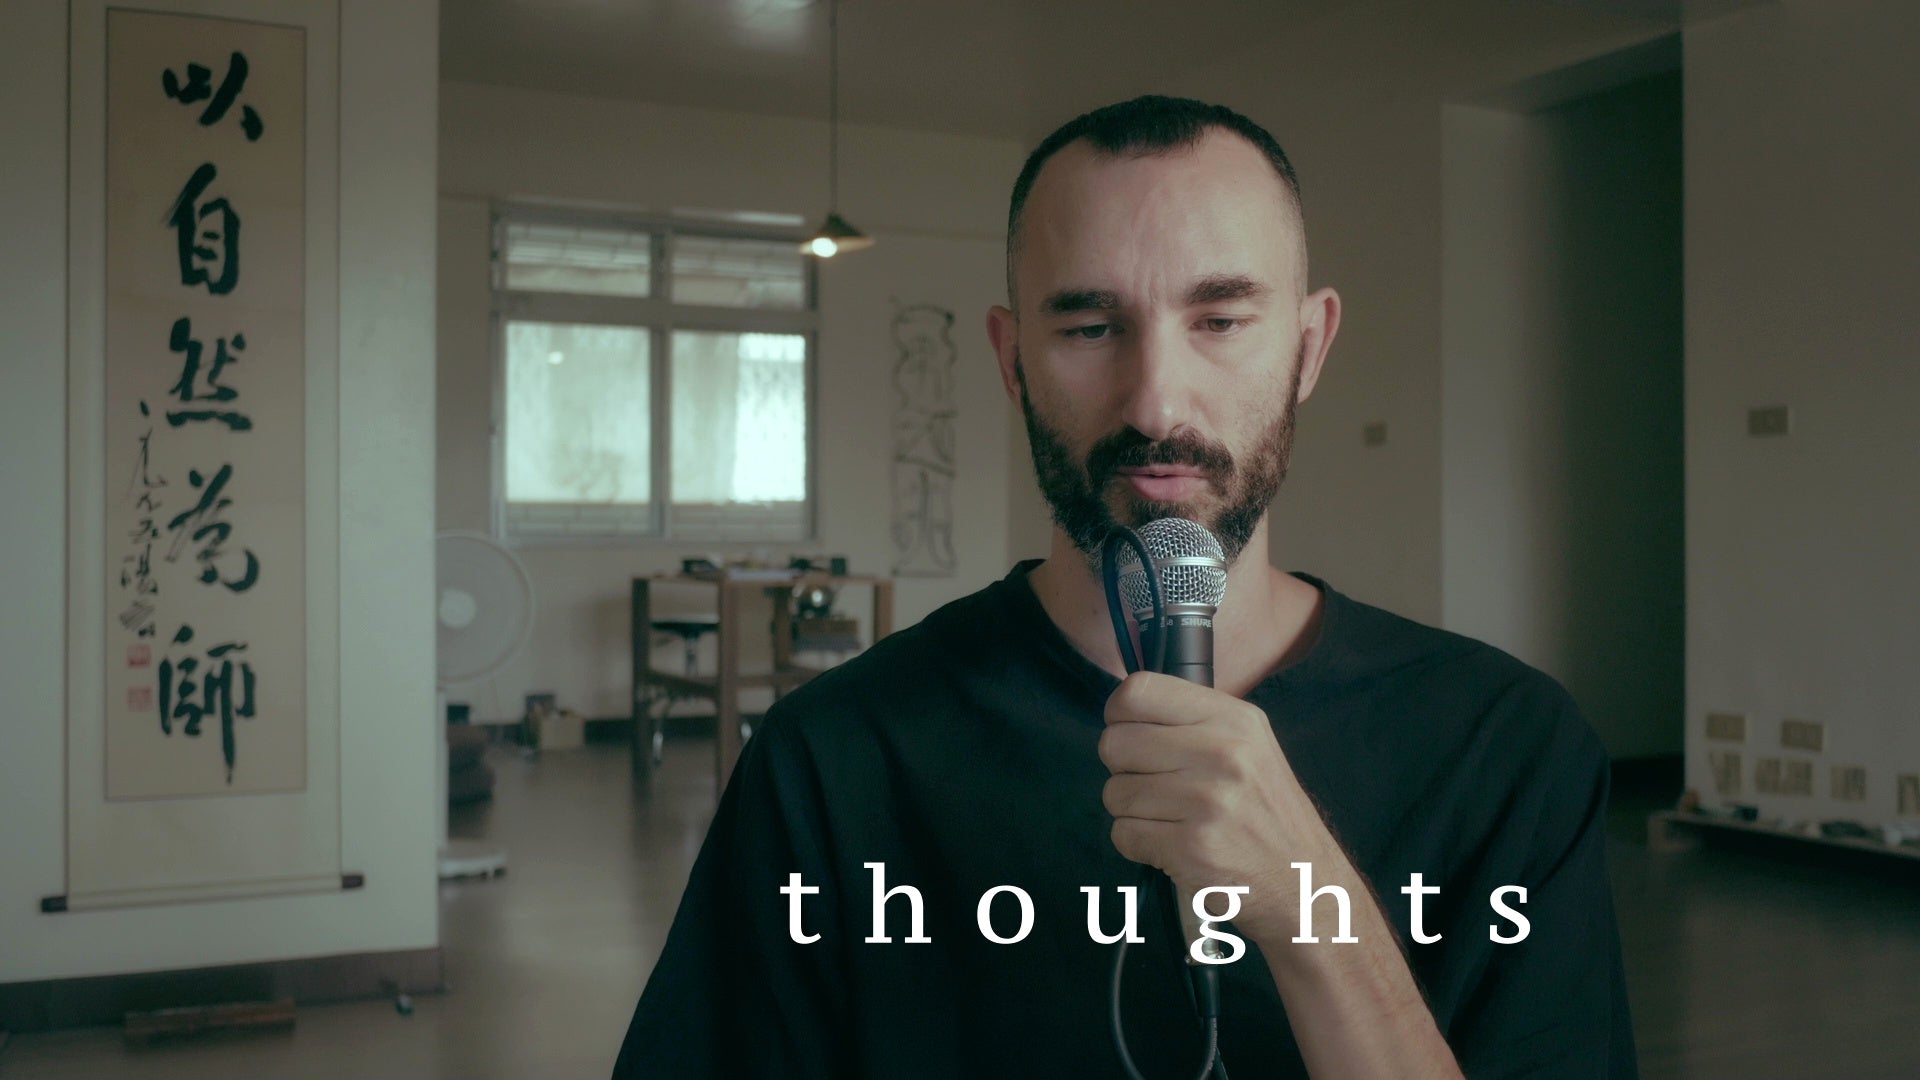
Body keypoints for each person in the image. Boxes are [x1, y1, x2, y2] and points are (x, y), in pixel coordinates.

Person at [613, 95, 1636, 1079]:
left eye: (1223, 319)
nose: (1154, 400)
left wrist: (1315, 910)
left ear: (1309, 348)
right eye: (1090, 328)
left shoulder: (1506, 746)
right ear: (1013, 361)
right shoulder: (832, 759)